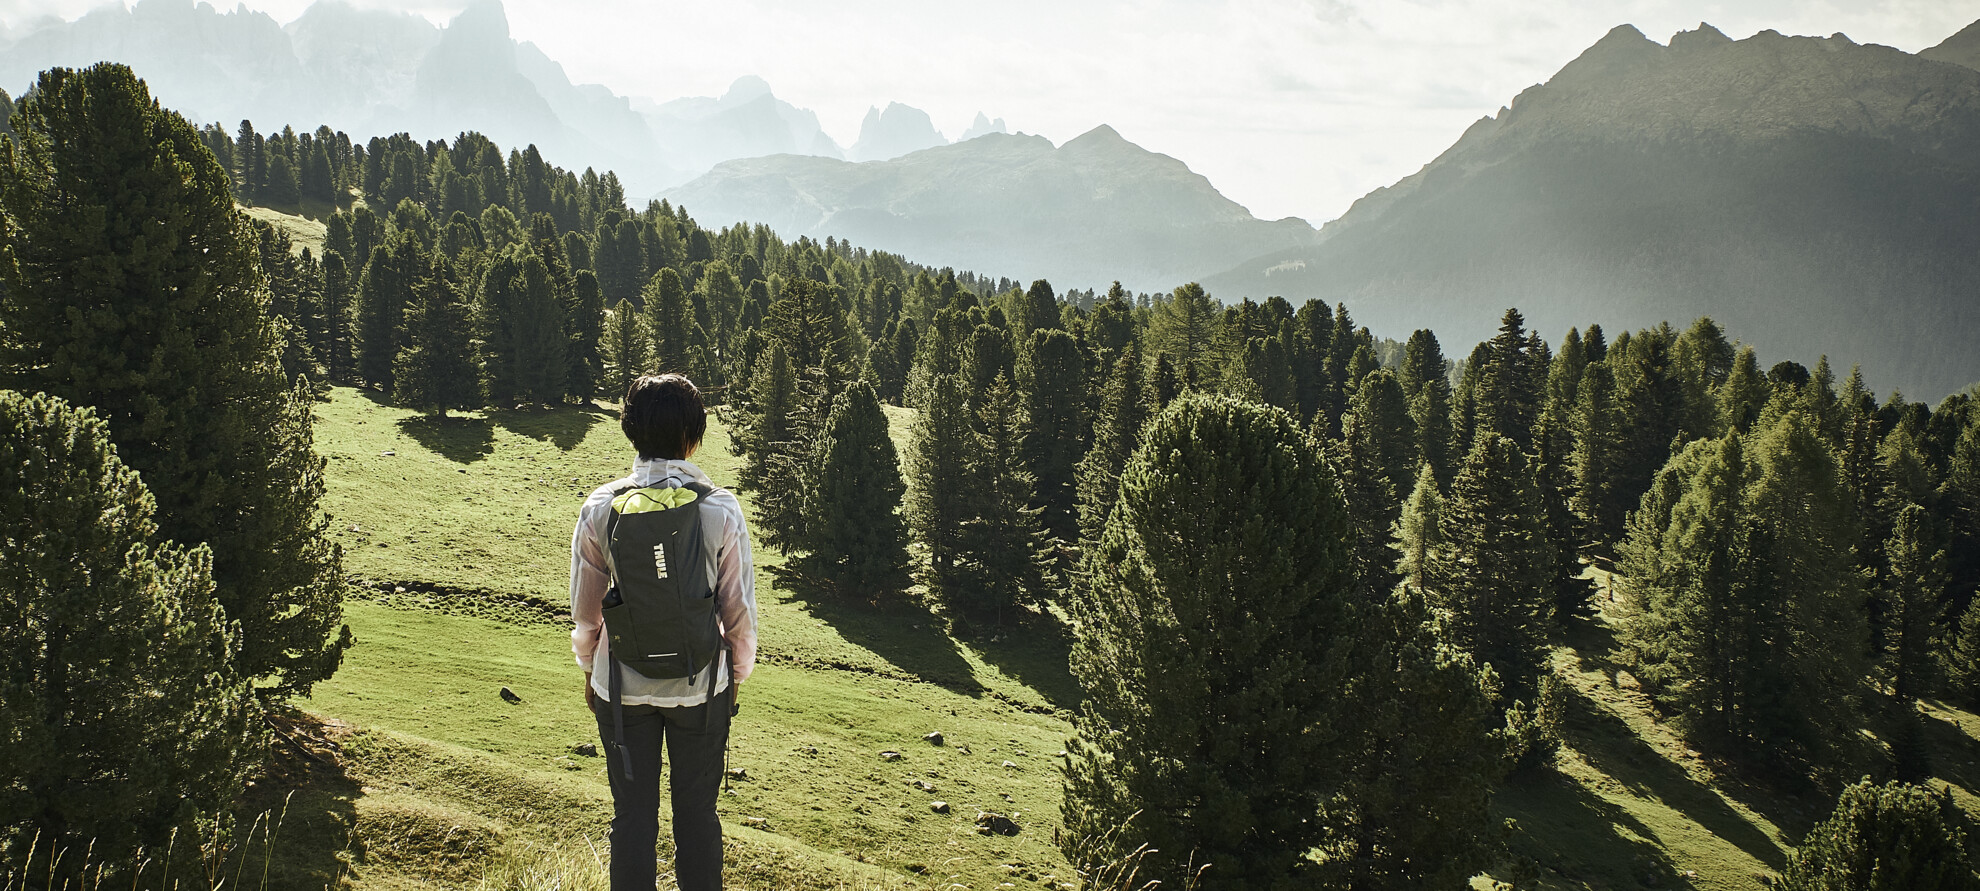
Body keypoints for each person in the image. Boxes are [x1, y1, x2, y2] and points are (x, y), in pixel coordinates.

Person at [571, 373, 757, 891]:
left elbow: (586, 615)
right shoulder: (720, 509)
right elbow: (738, 610)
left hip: (623, 688)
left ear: (630, 432)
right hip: (702, 686)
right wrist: (735, 676)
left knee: (632, 819)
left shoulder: (599, 508)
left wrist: (591, 670)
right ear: (692, 437)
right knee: (697, 818)